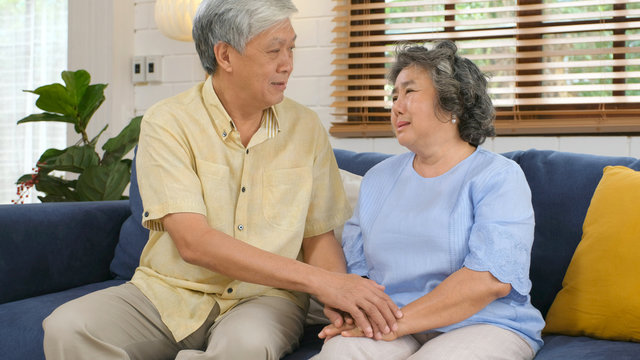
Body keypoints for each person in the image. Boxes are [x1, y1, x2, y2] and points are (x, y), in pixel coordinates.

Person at [42, 0, 402, 359]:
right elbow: (194, 243)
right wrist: (323, 282)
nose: (287, 64)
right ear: (225, 56)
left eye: (291, 48)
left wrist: (337, 298)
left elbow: (318, 236)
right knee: (68, 326)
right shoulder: (167, 123)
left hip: (265, 297)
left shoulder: (306, 128)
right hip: (169, 292)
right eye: (274, 50)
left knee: (245, 346)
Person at [313, 40, 545, 360]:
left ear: (453, 103)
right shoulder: (378, 178)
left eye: (409, 92)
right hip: (391, 320)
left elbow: (488, 281)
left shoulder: (499, 176)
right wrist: (354, 315)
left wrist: (395, 324)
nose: (396, 105)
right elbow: (358, 274)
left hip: (481, 322)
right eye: (393, 96)